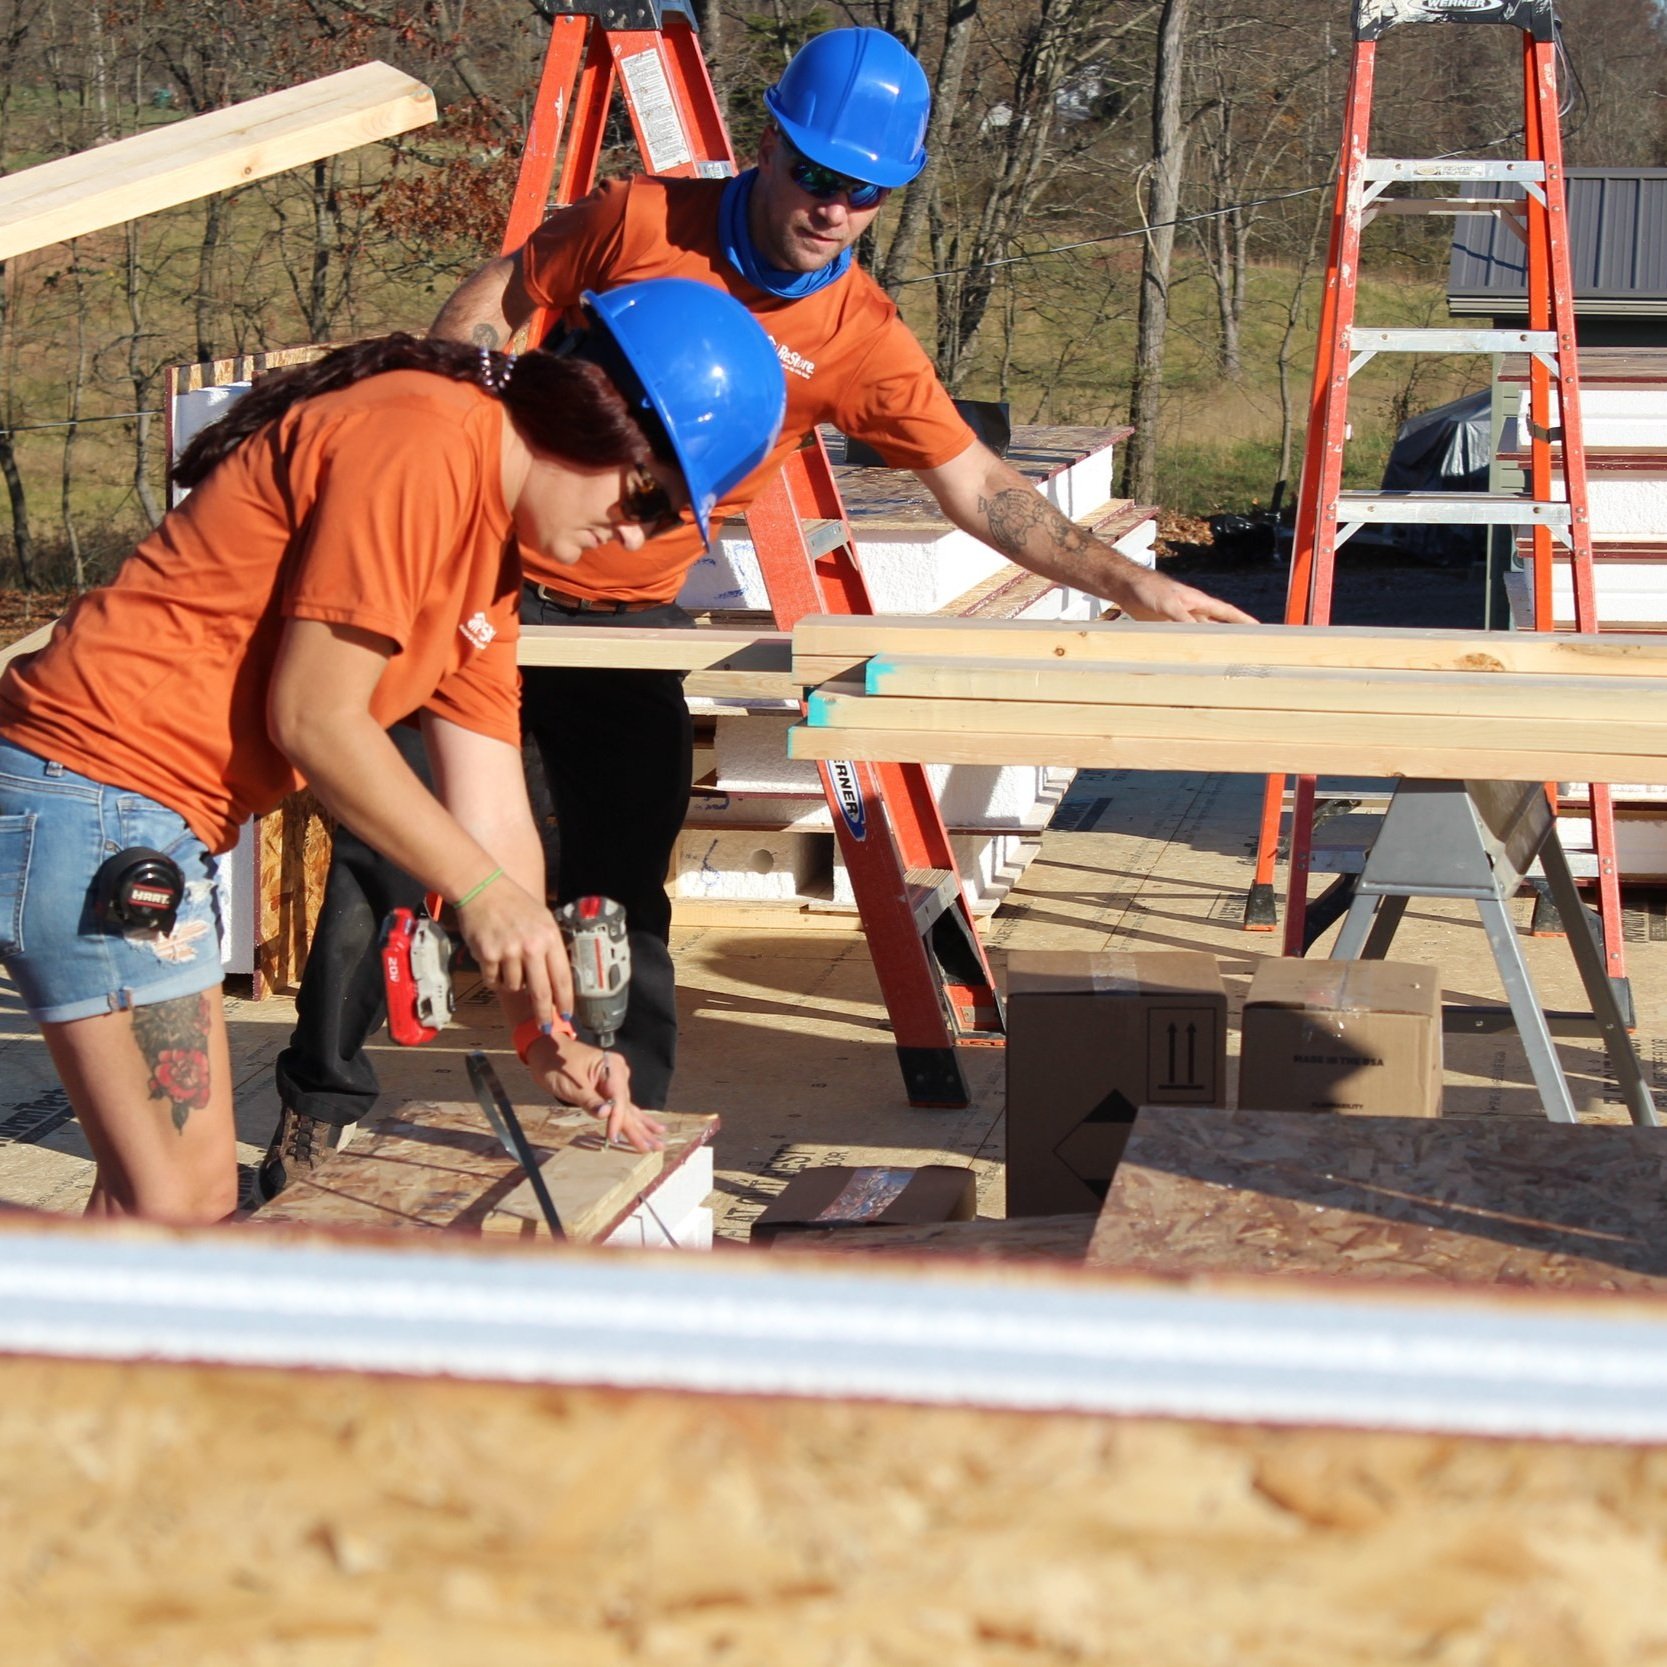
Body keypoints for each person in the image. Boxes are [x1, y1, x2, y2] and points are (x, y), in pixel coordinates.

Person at [263, 25, 1255, 1196]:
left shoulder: (860, 339)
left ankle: (632, 1133)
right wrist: (455, 421)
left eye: (867, 194)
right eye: (819, 178)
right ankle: (316, 1108)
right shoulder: (641, 222)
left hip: (622, 621)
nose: (835, 210)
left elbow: (978, 484)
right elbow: (501, 289)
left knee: (622, 875)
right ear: (771, 150)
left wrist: (1129, 583)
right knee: (385, 849)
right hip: (481, 576)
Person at [0, 276, 786, 1224]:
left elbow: (490, 806)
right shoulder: (421, 438)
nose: (634, 534)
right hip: (96, 794)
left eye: (664, 522)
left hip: (145, 815)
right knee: (180, 1213)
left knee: (143, 1211)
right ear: (593, 413)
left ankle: (70, 1374)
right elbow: (316, 718)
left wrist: (545, 1032)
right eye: (646, 497)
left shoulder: (485, 564)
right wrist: (485, 897)